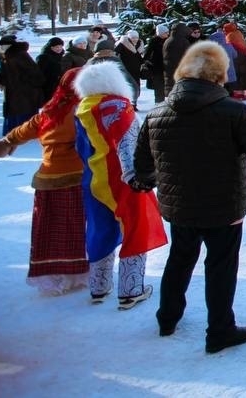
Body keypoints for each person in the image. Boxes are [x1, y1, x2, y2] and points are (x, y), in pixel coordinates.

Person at [133, 41, 246, 353]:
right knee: (221, 265)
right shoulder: (232, 112)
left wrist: (147, 181)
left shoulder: (157, 113)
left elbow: (144, 163)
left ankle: (167, 317)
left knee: (180, 258)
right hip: (224, 206)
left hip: (180, 206)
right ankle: (220, 330)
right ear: (219, 75)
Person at [73, 59, 167, 308]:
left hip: (93, 178)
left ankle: (99, 286)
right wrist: (135, 177)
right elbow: (128, 143)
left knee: (99, 230)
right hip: (121, 180)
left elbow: (81, 147)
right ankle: (131, 288)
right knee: (136, 229)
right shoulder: (118, 107)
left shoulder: (83, 108)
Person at [0, 70, 89, 295]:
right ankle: (74, 274)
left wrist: (8, 141)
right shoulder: (82, 111)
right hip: (74, 179)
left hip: (46, 181)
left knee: (49, 230)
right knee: (73, 230)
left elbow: (24, 130)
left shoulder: (49, 110)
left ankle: (52, 274)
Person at [0, 36, 44, 134]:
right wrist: (0, 80)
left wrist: (23, 82)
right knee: (13, 111)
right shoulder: (4, 55)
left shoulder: (19, 55)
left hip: (25, 91)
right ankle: (13, 131)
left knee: (24, 111)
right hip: (12, 90)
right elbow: (4, 72)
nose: (0, 47)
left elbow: (34, 72)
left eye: (2, 45)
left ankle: (24, 132)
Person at [224, 21, 246, 100]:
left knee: (239, 75)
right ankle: (245, 93)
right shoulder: (238, 33)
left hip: (237, 58)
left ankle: (238, 94)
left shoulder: (230, 35)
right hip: (245, 56)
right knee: (245, 75)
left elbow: (229, 46)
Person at [162, 23, 195, 93]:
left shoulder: (168, 40)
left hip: (168, 69)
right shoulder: (183, 41)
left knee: (171, 90)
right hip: (180, 70)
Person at [115, 30, 144, 108]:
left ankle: (134, 103)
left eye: (136, 37)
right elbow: (115, 53)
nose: (135, 39)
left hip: (136, 69)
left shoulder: (139, 44)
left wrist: (143, 62)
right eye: (133, 38)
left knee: (137, 86)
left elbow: (139, 56)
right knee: (128, 85)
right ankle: (128, 103)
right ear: (129, 38)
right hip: (126, 69)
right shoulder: (123, 44)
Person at [36, 36, 68, 103]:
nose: (59, 49)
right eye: (56, 47)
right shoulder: (43, 57)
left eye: (60, 46)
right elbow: (39, 73)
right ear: (51, 47)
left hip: (58, 85)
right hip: (48, 86)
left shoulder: (61, 56)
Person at [144, 24, 170, 103]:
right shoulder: (154, 41)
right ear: (160, 33)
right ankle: (158, 102)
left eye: (167, 32)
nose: (167, 34)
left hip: (165, 67)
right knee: (159, 87)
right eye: (165, 32)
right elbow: (148, 53)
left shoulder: (168, 40)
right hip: (156, 67)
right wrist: (147, 62)